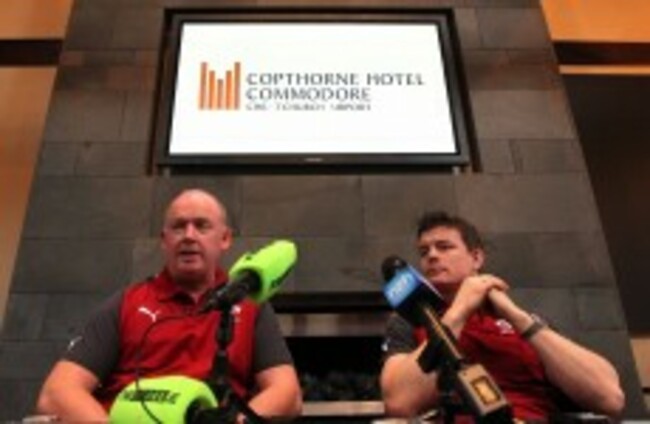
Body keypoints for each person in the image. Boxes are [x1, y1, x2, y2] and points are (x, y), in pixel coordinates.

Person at [36, 189, 302, 422]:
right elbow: (57, 392)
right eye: (178, 227)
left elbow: (287, 393)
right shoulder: (127, 303)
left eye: (202, 226)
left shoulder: (251, 305)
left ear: (225, 239)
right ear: (164, 240)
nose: (189, 236)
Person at [380, 211, 625, 422]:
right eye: (424, 251)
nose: (431, 256)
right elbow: (399, 403)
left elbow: (610, 398)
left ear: (476, 258)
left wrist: (518, 318)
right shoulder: (409, 320)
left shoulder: (525, 321)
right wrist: (458, 312)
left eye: (444, 247)